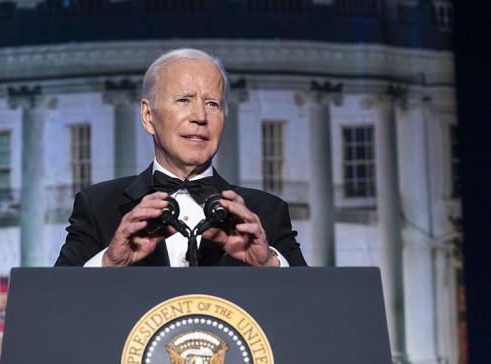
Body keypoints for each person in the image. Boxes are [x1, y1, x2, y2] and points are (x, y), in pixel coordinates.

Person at [54, 48, 307, 267]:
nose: (200, 116)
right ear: (148, 116)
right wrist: (108, 262)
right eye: (184, 100)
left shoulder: (266, 213)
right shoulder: (98, 207)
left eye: (212, 104)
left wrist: (269, 264)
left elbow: (316, 306)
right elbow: (53, 302)